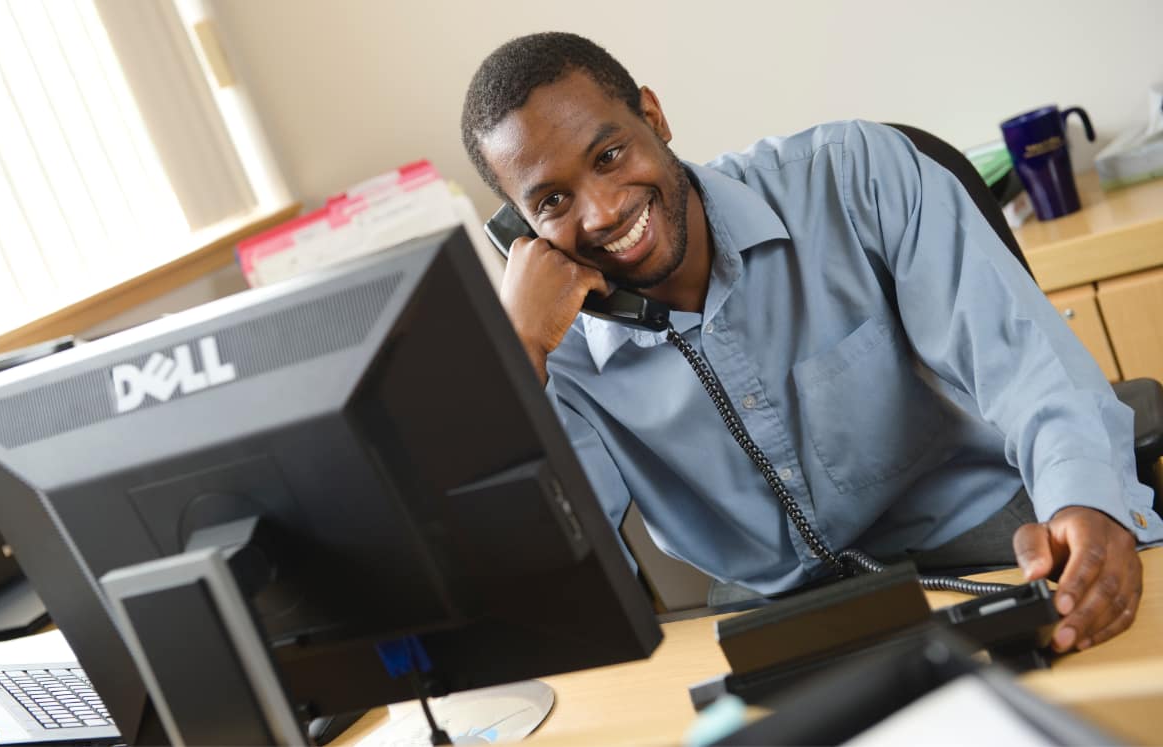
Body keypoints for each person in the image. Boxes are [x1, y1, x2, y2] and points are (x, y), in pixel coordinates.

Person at [459, 31, 1161, 653]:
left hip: (990, 541)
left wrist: (1086, 502)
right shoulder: (563, 349)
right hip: (781, 614)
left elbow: (1026, 364)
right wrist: (517, 348)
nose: (603, 211)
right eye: (552, 201)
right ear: (519, 229)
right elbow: (552, 592)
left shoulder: (854, 176)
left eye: (610, 154)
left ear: (653, 115)